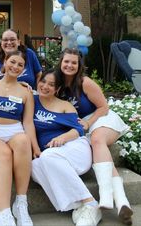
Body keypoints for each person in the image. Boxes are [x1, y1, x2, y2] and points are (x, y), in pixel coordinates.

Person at [55, 48, 133, 225]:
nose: (69, 65)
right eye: (66, 61)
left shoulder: (85, 82)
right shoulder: (57, 85)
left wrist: (89, 124)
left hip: (101, 118)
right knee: (99, 149)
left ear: (79, 65)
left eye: (74, 62)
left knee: (97, 140)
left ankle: (106, 194)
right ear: (60, 63)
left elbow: (103, 107)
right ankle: (122, 202)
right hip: (82, 125)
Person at [0, 50, 40, 226]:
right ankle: (4, 214)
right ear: (5, 61)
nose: (15, 67)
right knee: (4, 154)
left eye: (20, 65)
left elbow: (28, 123)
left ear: (24, 69)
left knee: (22, 141)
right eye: (12, 62)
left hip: (14, 130)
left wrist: (35, 147)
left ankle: (21, 204)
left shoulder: (26, 92)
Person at [31, 69, 102, 226]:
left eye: (51, 84)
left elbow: (77, 130)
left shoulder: (65, 105)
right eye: (43, 82)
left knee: (47, 157)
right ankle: (77, 206)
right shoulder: (32, 101)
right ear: (37, 82)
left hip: (74, 148)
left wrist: (62, 138)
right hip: (51, 157)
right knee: (33, 167)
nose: (45, 86)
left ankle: (90, 203)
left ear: (57, 89)